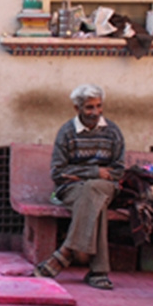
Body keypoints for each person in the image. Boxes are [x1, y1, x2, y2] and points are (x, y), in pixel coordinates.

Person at [36, 84, 125, 290]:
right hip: (72, 188)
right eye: (89, 108)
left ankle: (66, 252)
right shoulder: (67, 132)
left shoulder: (112, 131)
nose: (95, 112)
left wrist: (89, 175)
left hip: (105, 187)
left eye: (99, 106)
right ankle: (98, 271)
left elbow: (118, 171)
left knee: (95, 190)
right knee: (94, 199)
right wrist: (93, 172)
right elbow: (58, 173)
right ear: (77, 109)